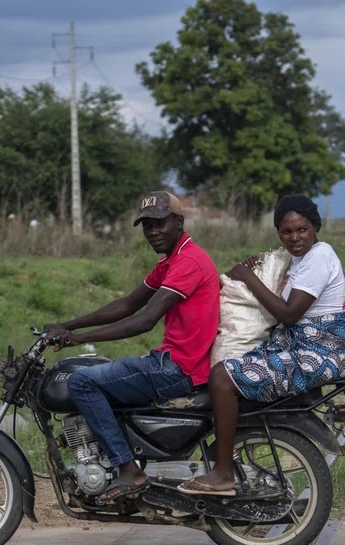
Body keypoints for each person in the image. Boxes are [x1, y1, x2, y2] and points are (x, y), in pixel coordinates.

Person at [44, 192, 220, 501]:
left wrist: (82, 339)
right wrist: (68, 326)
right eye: (146, 225)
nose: (152, 232)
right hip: (175, 361)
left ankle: (128, 469)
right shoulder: (171, 262)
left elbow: (144, 320)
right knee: (101, 375)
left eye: (159, 224)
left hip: (179, 367)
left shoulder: (189, 261)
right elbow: (127, 304)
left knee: (82, 381)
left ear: (178, 222)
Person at [178, 195, 345, 496]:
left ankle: (222, 474)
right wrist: (255, 268)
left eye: (302, 230)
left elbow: (289, 313)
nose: (294, 238)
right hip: (298, 347)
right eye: (286, 232)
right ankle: (229, 453)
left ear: (316, 227)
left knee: (222, 376)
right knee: (221, 375)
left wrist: (248, 277)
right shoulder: (301, 260)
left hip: (320, 353)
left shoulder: (320, 256)